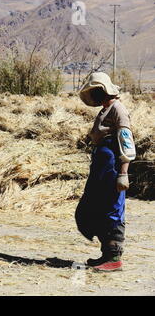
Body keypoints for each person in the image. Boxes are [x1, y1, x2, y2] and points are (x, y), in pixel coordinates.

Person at [76, 72, 136, 272]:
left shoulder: (118, 109)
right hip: (102, 166)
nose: (93, 95)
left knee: (112, 208)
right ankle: (105, 254)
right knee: (99, 206)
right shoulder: (106, 109)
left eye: (95, 90)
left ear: (103, 89)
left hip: (112, 167)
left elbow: (126, 141)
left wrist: (123, 173)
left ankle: (114, 257)